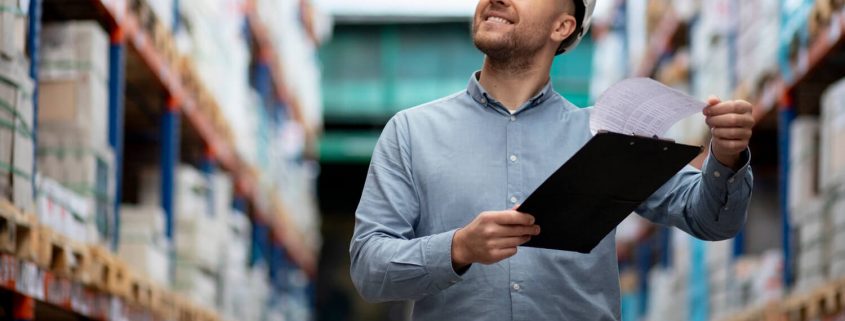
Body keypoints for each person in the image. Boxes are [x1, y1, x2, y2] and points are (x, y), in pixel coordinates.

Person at [349, 0, 755, 319]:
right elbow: (369, 268)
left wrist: (726, 155)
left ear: (562, 26)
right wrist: (457, 248)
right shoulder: (411, 133)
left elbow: (711, 220)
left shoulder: (606, 138)